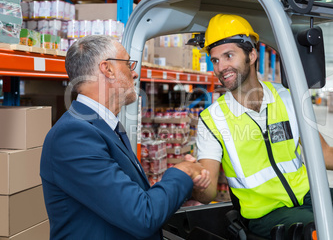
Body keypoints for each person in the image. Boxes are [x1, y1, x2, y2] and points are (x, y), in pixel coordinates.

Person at [193, 14, 333, 239]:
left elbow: (324, 153)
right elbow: (208, 192)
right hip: (267, 215)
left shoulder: (287, 98)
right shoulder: (212, 119)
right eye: (215, 60)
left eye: (228, 56)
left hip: (312, 197)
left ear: (251, 55)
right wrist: (197, 181)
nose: (221, 67)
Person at [40, 35, 210, 240]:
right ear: (108, 69)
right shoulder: (74, 136)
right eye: (128, 64)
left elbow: (129, 198)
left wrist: (185, 183)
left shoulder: (105, 127)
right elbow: (141, 216)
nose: (135, 73)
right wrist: (182, 172)